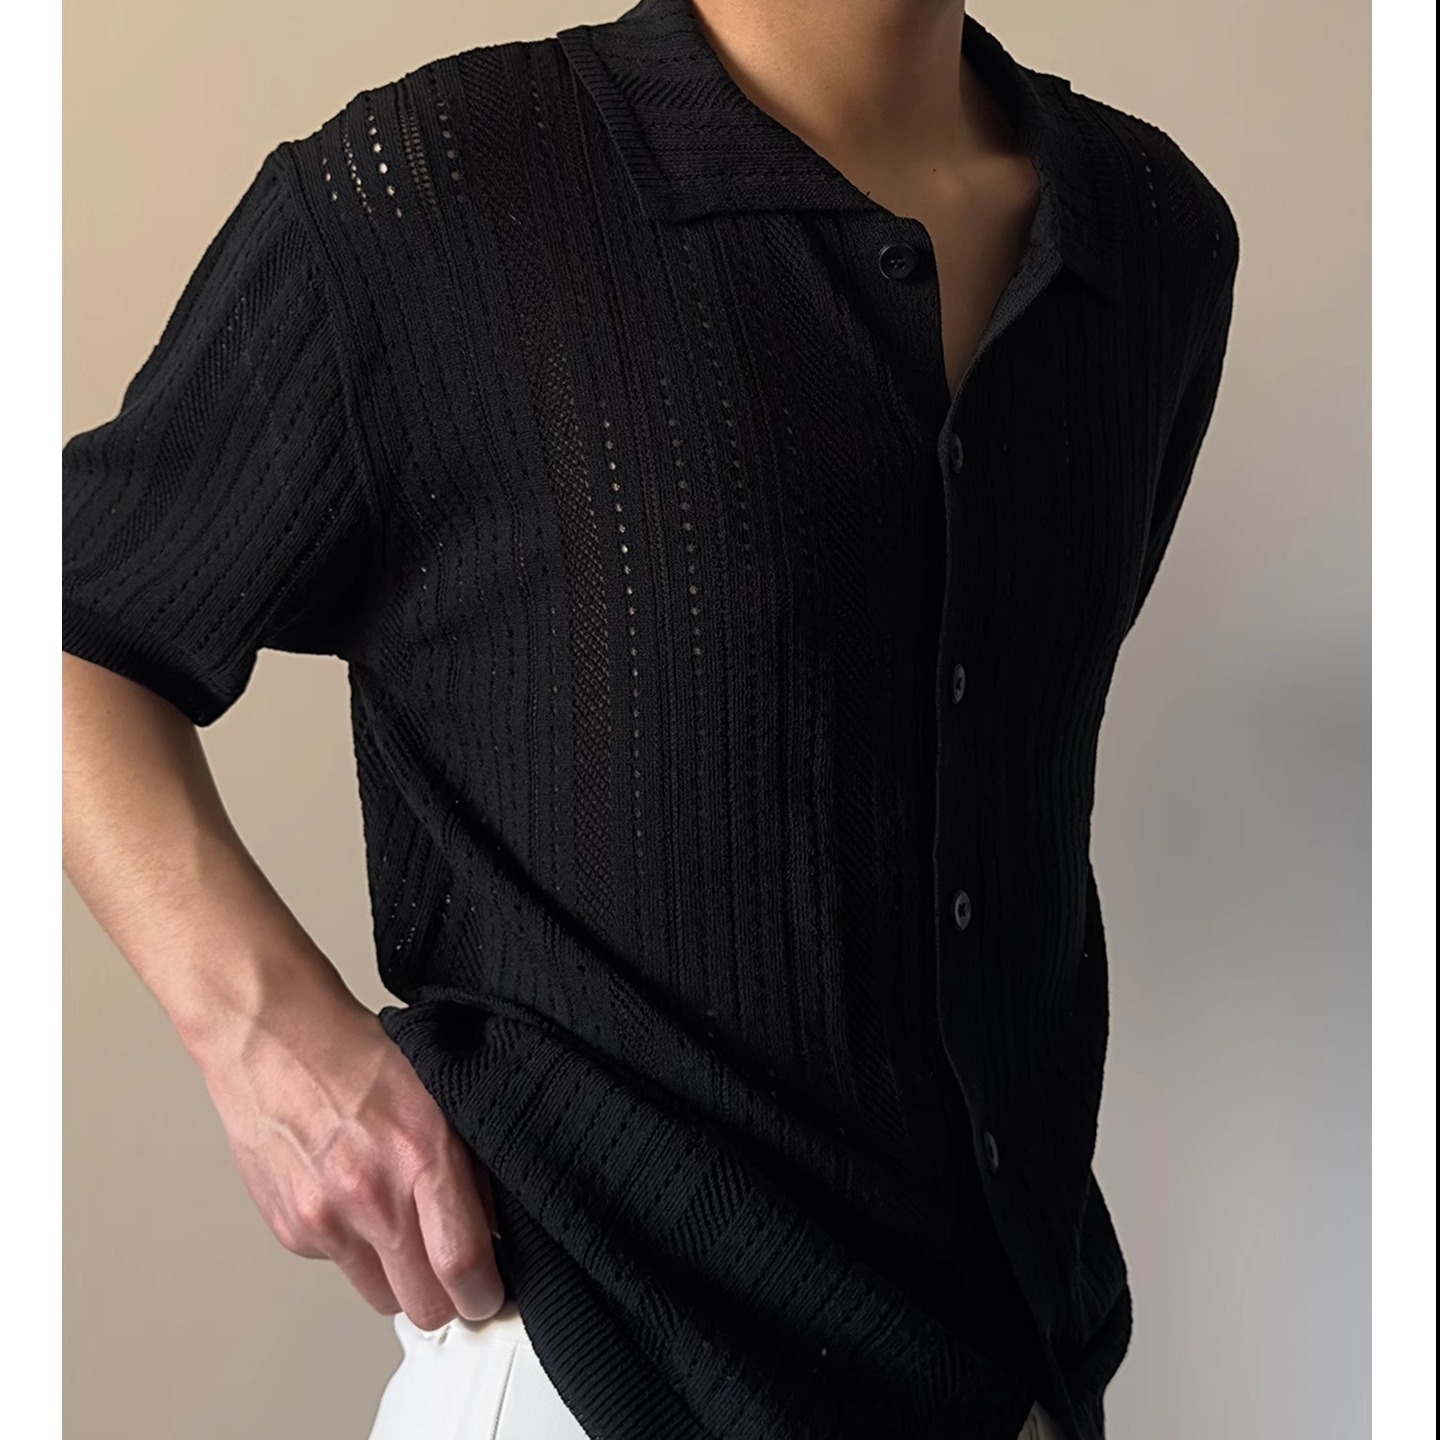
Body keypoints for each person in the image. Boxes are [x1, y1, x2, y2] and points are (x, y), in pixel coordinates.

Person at [61, 0, 1238, 1436]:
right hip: (601, 1360)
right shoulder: (441, 192)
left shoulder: (1152, 238)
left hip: (1021, 1371)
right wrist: (259, 1034)